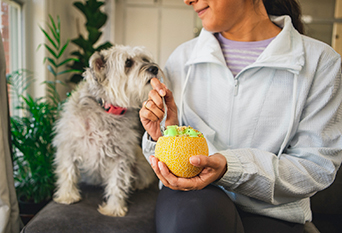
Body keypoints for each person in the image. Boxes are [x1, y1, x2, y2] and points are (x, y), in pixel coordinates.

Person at [139, 0, 342, 232]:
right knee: (195, 217)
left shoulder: (320, 63)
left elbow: (316, 167)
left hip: (274, 211)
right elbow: (169, 157)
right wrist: (162, 136)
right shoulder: (182, 58)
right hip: (193, 202)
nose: (188, 0)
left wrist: (230, 168)